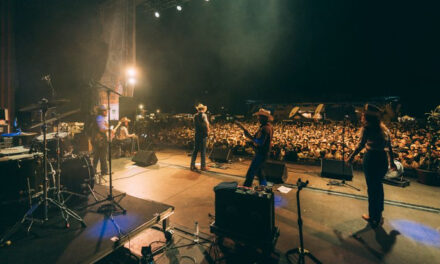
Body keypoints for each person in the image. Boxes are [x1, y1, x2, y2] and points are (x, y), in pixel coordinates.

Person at [347, 104, 397, 228]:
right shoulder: (385, 129)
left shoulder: (367, 129)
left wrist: (351, 157)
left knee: (372, 189)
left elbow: (361, 145)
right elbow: (389, 147)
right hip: (382, 159)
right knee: (378, 187)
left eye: (363, 116)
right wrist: (392, 161)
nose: (361, 117)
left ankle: (372, 216)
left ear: (368, 118)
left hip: (371, 159)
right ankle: (378, 215)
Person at [242, 108, 274, 187]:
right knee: (259, 172)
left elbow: (260, 142)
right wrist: (252, 140)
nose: (258, 118)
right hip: (264, 153)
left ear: (264, 118)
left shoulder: (265, 128)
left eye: (259, 116)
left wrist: (250, 138)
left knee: (251, 172)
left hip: (261, 154)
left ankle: (246, 188)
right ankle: (264, 187)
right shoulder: (268, 127)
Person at [190, 103, 210, 171]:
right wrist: (208, 130)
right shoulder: (204, 115)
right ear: (203, 109)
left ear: (198, 109)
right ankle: (203, 166)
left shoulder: (195, 116)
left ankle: (192, 165)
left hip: (197, 134)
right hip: (203, 135)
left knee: (195, 150)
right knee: (203, 151)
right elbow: (207, 123)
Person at [92, 105, 110, 175]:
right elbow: (102, 129)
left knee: (97, 156)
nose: (106, 111)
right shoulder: (100, 117)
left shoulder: (99, 118)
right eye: (105, 110)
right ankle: (104, 171)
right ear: (101, 111)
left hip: (98, 140)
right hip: (100, 140)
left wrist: (107, 126)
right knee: (102, 156)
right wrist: (109, 129)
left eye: (106, 110)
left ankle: (93, 171)